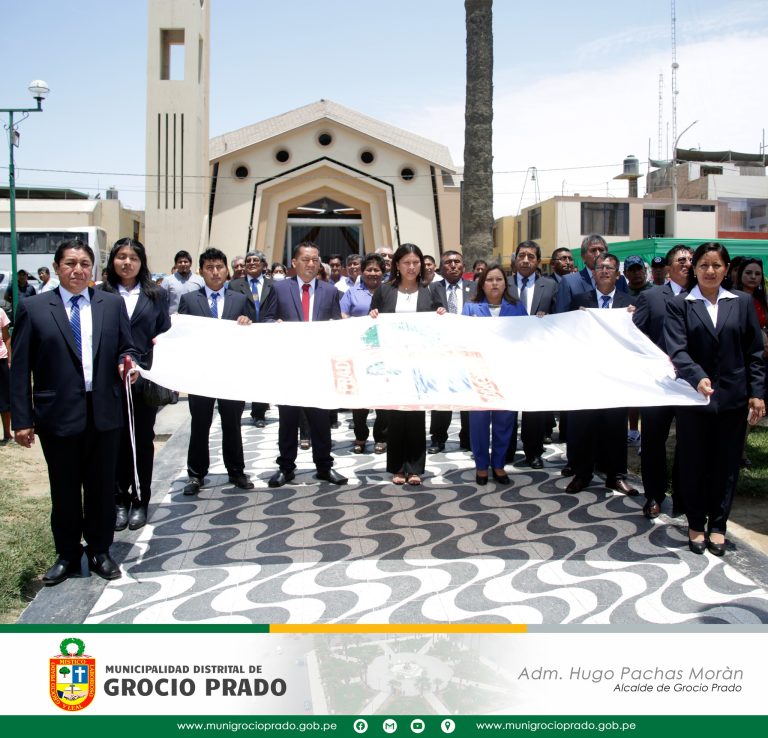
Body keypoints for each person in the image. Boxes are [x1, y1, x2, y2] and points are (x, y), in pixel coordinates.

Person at [10, 238, 136, 585]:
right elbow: (20, 368)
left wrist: (128, 363)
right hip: (57, 415)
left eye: (84, 264)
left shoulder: (111, 304)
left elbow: (126, 346)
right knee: (64, 489)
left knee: (101, 488)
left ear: (92, 269)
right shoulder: (34, 308)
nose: (78, 270)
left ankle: (100, 550)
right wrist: (22, 419)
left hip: (104, 413)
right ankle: (67, 553)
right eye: (70, 263)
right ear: (56, 267)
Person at [664, 242, 765, 556]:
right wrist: (697, 376)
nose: (710, 271)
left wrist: (757, 394)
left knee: (726, 465)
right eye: (704, 265)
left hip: (733, 400)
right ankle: (696, 523)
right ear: (694, 269)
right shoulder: (681, 304)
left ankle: (718, 525)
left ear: (726, 269)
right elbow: (677, 350)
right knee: (694, 463)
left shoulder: (742, 303)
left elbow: (755, 354)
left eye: (716, 265)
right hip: (694, 399)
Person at [261, 241, 347, 488]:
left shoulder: (329, 291)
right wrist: (275, 326)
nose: (311, 264)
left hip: (319, 367)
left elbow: (336, 325)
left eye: (315, 260)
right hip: (289, 367)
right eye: (306, 259)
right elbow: (266, 319)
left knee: (320, 419)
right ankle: (286, 467)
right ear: (294, 262)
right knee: (288, 419)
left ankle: (324, 466)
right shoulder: (279, 288)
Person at [99, 238, 171, 530]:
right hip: (109, 381)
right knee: (115, 442)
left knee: (142, 441)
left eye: (133, 257)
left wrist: (146, 365)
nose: (127, 262)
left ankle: (141, 500)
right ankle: (119, 500)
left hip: (142, 380)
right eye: (121, 256)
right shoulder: (100, 293)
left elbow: (164, 334)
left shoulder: (156, 295)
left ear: (142, 263)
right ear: (112, 260)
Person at [178, 248, 256, 496]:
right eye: (209, 267)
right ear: (201, 271)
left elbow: (254, 334)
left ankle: (236, 471)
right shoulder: (190, 300)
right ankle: (196, 474)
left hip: (231, 373)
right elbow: (182, 335)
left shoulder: (239, 299)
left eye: (219, 267)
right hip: (201, 374)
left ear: (226, 270)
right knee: (200, 424)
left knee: (232, 423)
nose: (215, 272)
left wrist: (247, 324)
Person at [369, 243, 445, 486]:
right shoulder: (385, 290)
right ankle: (397, 467)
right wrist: (373, 317)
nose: (412, 267)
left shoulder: (431, 291)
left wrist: (441, 314)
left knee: (415, 416)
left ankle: (414, 467)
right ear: (397, 265)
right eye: (406, 263)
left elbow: (440, 324)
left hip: (420, 364)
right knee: (395, 416)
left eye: (416, 262)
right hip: (392, 363)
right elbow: (371, 323)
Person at [565, 252, 638, 496]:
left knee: (615, 425)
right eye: (600, 268)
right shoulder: (579, 301)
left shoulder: (629, 303)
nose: (604, 271)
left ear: (618, 275)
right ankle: (582, 474)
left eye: (609, 268)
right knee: (584, 425)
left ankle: (616, 476)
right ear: (593, 274)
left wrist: (632, 318)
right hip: (587, 375)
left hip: (617, 376)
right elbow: (566, 332)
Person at [632, 245, 693, 518]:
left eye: (691, 259)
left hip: (692, 384)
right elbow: (635, 337)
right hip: (658, 384)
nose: (687, 263)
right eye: (681, 260)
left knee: (688, 443)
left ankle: (683, 498)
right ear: (668, 268)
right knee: (654, 442)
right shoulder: (652, 297)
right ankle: (654, 496)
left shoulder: (702, 296)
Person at [462, 264, 526, 484]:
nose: (495, 283)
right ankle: (481, 466)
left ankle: (498, 464)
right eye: (489, 280)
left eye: (499, 279)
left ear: (505, 284)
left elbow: (527, 336)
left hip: (507, 374)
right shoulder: (471, 307)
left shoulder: (517, 307)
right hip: (479, 374)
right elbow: (462, 338)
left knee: (504, 422)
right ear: (482, 284)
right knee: (479, 423)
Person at [506, 241, 558, 468]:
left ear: (538, 261)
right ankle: (505, 450)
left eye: (531, 256)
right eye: (522, 255)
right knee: (507, 407)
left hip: (538, 355)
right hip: (508, 355)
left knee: (534, 408)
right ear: (515, 259)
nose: (526, 260)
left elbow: (559, 318)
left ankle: (533, 452)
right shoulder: (503, 283)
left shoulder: (551, 286)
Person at [427, 250, 475, 453]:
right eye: (448, 262)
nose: (453, 265)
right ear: (441, 267)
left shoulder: (475, 288)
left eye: (457, 261)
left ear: (463, 266)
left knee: (468, 396)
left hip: (469, 350)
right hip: (442, 351)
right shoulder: (431, 288)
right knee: (442, 396)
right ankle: (438, 438)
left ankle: (468, 437)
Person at [340, 253, 388, 454]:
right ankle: (360, 435)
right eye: (369, 269)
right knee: (360, 399)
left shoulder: (390, 291)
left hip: (385, 353)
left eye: (377, 270)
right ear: (362, 271)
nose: (373, 273)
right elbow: (342, 315)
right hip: (359, 352)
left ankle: (381, 437)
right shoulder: (351, 293)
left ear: (383, 272)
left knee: (383, 398)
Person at [228, 250, 273, 427]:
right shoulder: (234, 285)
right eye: (248, 260)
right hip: (243, 335)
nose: (251, 263)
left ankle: (259, 413)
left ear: (263, 265)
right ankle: (235, 411)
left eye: (255, 260)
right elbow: (230, 307)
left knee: (262, 375)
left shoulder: (273, 285)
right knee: (241, 374)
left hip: (266, 336)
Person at [554, 234, 627, 313]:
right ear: (583, 257)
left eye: (601, 250)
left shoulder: (619, 280)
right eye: (593, 250)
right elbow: (561, 314)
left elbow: (626, 307)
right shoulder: (569, 282)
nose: (598, 254)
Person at [161, 249, 205, 314]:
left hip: (194, 317)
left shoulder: (200, 281)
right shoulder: (168, 281)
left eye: (185, 262)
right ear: (176, 265)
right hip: (173, 318)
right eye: (180, 262)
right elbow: (161, 302)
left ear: (190, 264)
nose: (183, 264)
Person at [0, 306, 11, 442]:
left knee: (4, 397)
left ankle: (7, 433)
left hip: (1, 358)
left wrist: (9, 360)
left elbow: (7, 337)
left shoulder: (1, 312)